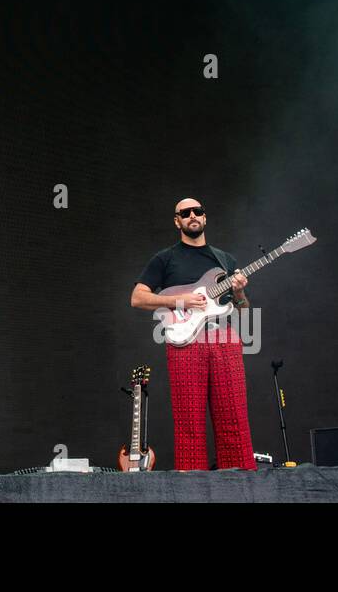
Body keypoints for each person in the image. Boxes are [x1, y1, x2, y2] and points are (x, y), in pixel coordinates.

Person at [131, 197, 256, 470]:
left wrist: (239, 292)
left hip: (224, 338)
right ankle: (193, 490)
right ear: (177, 221)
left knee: (234, 418)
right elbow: (138, 298)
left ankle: (243, 488)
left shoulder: (225, 260)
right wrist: (181, 300)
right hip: (185, 342)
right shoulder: (164, 259)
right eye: (184, 213)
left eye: (197, 211)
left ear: (205, 217)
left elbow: (244, 311)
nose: (192, 215)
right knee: (190, 422)